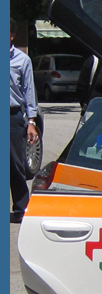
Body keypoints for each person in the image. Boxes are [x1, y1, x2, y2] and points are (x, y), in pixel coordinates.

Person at [10, 19, 39, 223]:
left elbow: (29, 92)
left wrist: (31, 121)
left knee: (15, 164)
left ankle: (21, 208)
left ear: (11, 36)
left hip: (12, 117)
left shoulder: (22, 60)